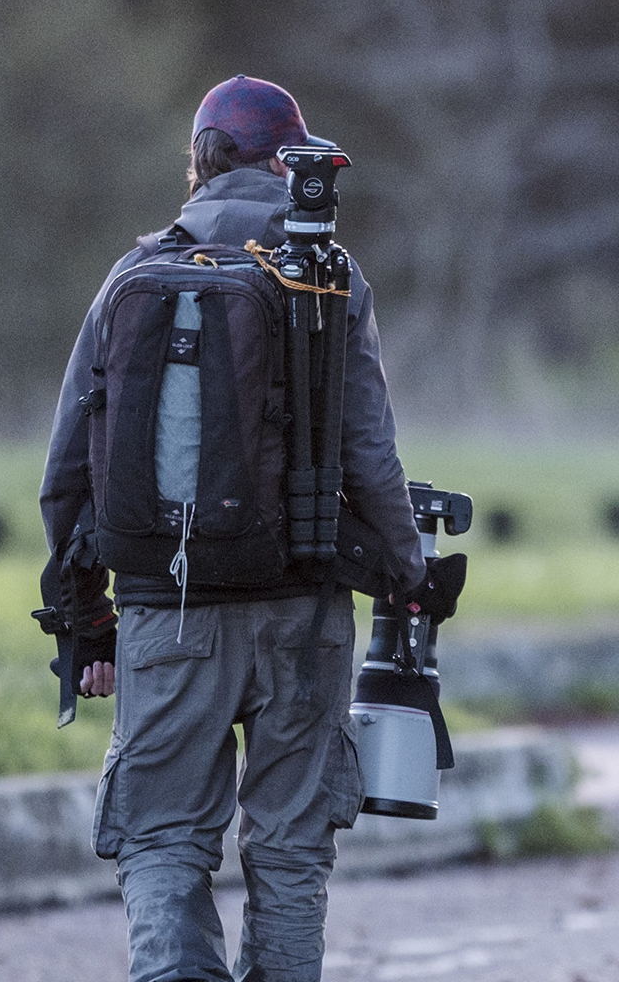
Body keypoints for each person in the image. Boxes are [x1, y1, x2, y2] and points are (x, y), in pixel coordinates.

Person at [39, 75, 427, 982]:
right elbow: (371, 454)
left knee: (165, 839)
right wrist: (407, 573)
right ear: (289, 163)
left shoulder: (129, 277)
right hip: (304, 612)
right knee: (290, 851)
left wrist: (83, 617)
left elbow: (66, 472)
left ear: (201, 162)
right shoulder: (327, 273)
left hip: (165, 614)